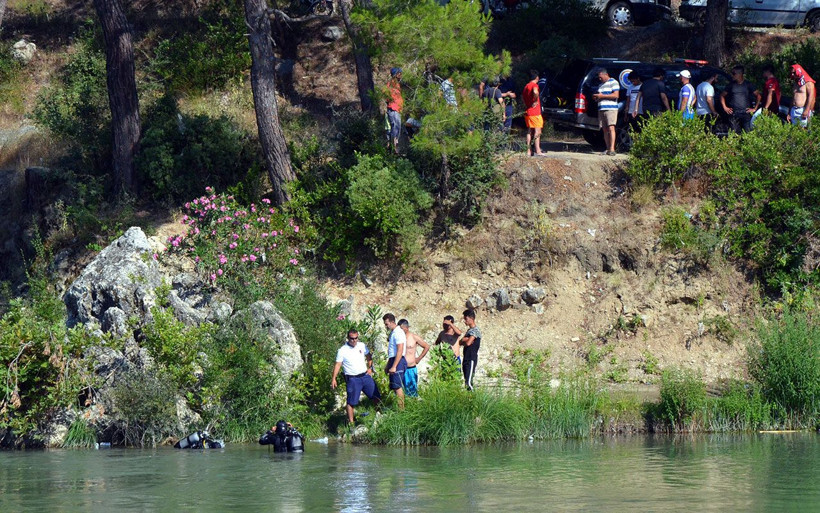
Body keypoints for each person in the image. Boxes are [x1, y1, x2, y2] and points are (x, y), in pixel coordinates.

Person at [331, 329, 381, 424]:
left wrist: (370, 368)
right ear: (348, 338)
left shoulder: (361, 345)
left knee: (376, 396)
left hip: (365, 376)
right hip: (353, 379)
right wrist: (334, 378)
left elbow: (369, 356)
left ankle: (378, 415)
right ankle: (351, 422)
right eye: (352, 338)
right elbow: (337, 365)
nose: (354, 340)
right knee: (351, 401)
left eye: (356, 338)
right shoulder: (342, 350)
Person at [720, 65, 761, 134]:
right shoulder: (730, 85)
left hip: (746, 113)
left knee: (748, 134)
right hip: (734, 113)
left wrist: (754, 109)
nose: (732, 75)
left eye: (734, 73)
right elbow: (722, 95)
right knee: (734, 134)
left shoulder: (748, 84)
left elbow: (758, 96)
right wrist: (725, 107)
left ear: (740, 74)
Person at [398, 319, 430, 398]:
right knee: (399, 390)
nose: (400, 330)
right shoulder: (398, 337)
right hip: (400, 368)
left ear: (406, 328)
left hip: (410, 368)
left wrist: (419, 358)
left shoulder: (413, 337)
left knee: (412, 391)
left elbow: (426, 346)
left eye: (402, 328)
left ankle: (413, 405)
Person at [591, 68, 620, 156]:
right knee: (604, 129)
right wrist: (596, 97)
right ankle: (607, 148)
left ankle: (612, 148)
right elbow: (601, 97)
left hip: (611, 109)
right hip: (601, 108)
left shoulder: (613, 82)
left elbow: (616, 95)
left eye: (600, 77)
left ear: (605, 74)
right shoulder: (601, 85)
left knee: (611, 127)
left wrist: (601, 96)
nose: (600, 79)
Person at [382, 313, 406, 409]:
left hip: (398, 361)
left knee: (397, 387)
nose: (386, 326)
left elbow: (400, 349)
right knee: (394, 386)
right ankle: (399, 407)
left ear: (392, 322)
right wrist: (389, 365)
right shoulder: (393, 332)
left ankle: (401, 410)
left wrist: (394, 366)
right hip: (394, 359)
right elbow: (392, 352)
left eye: (387, 324)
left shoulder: (398, 332)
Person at [522, 70, 545, 156]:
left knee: (529, 131)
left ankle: (528, 151)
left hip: (528, 111)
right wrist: (535, 100)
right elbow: (535, 92)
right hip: (535, 112)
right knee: (537, 131)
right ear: (537, 77)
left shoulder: (526, 86)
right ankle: (538, 151)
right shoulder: (534, 85)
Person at [460, 309, 482, 391]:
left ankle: (474, 398)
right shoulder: (469, 331)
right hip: (466, 358)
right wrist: (464, 339)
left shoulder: (475, 330)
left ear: (471, 318)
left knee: (468, 383)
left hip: (471, 358)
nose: (464, 321)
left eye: (466, 319)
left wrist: (466, 340)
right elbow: (461, 341)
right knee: (467, 381)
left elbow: (469, 342)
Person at [788, 64, 816, 128]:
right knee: (794, 130)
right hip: (794, 110)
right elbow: (793, 97)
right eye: (791, 73)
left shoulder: (808, 82)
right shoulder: (796, 82)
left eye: (794, 73)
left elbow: (811, 97)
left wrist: (807, 110)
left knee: (803, 130)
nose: (792, 75)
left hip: (802, 110)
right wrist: (789, 112)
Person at [386, 67, 403, 154]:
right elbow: (386, 94)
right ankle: (394, 148)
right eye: (399, 73)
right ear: (396, 74)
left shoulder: (396, 84)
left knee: (397, 128)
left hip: (396, 109)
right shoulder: (391, 84)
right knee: (395, 128)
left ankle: (394, 148)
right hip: (393, 109)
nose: (401, 75)